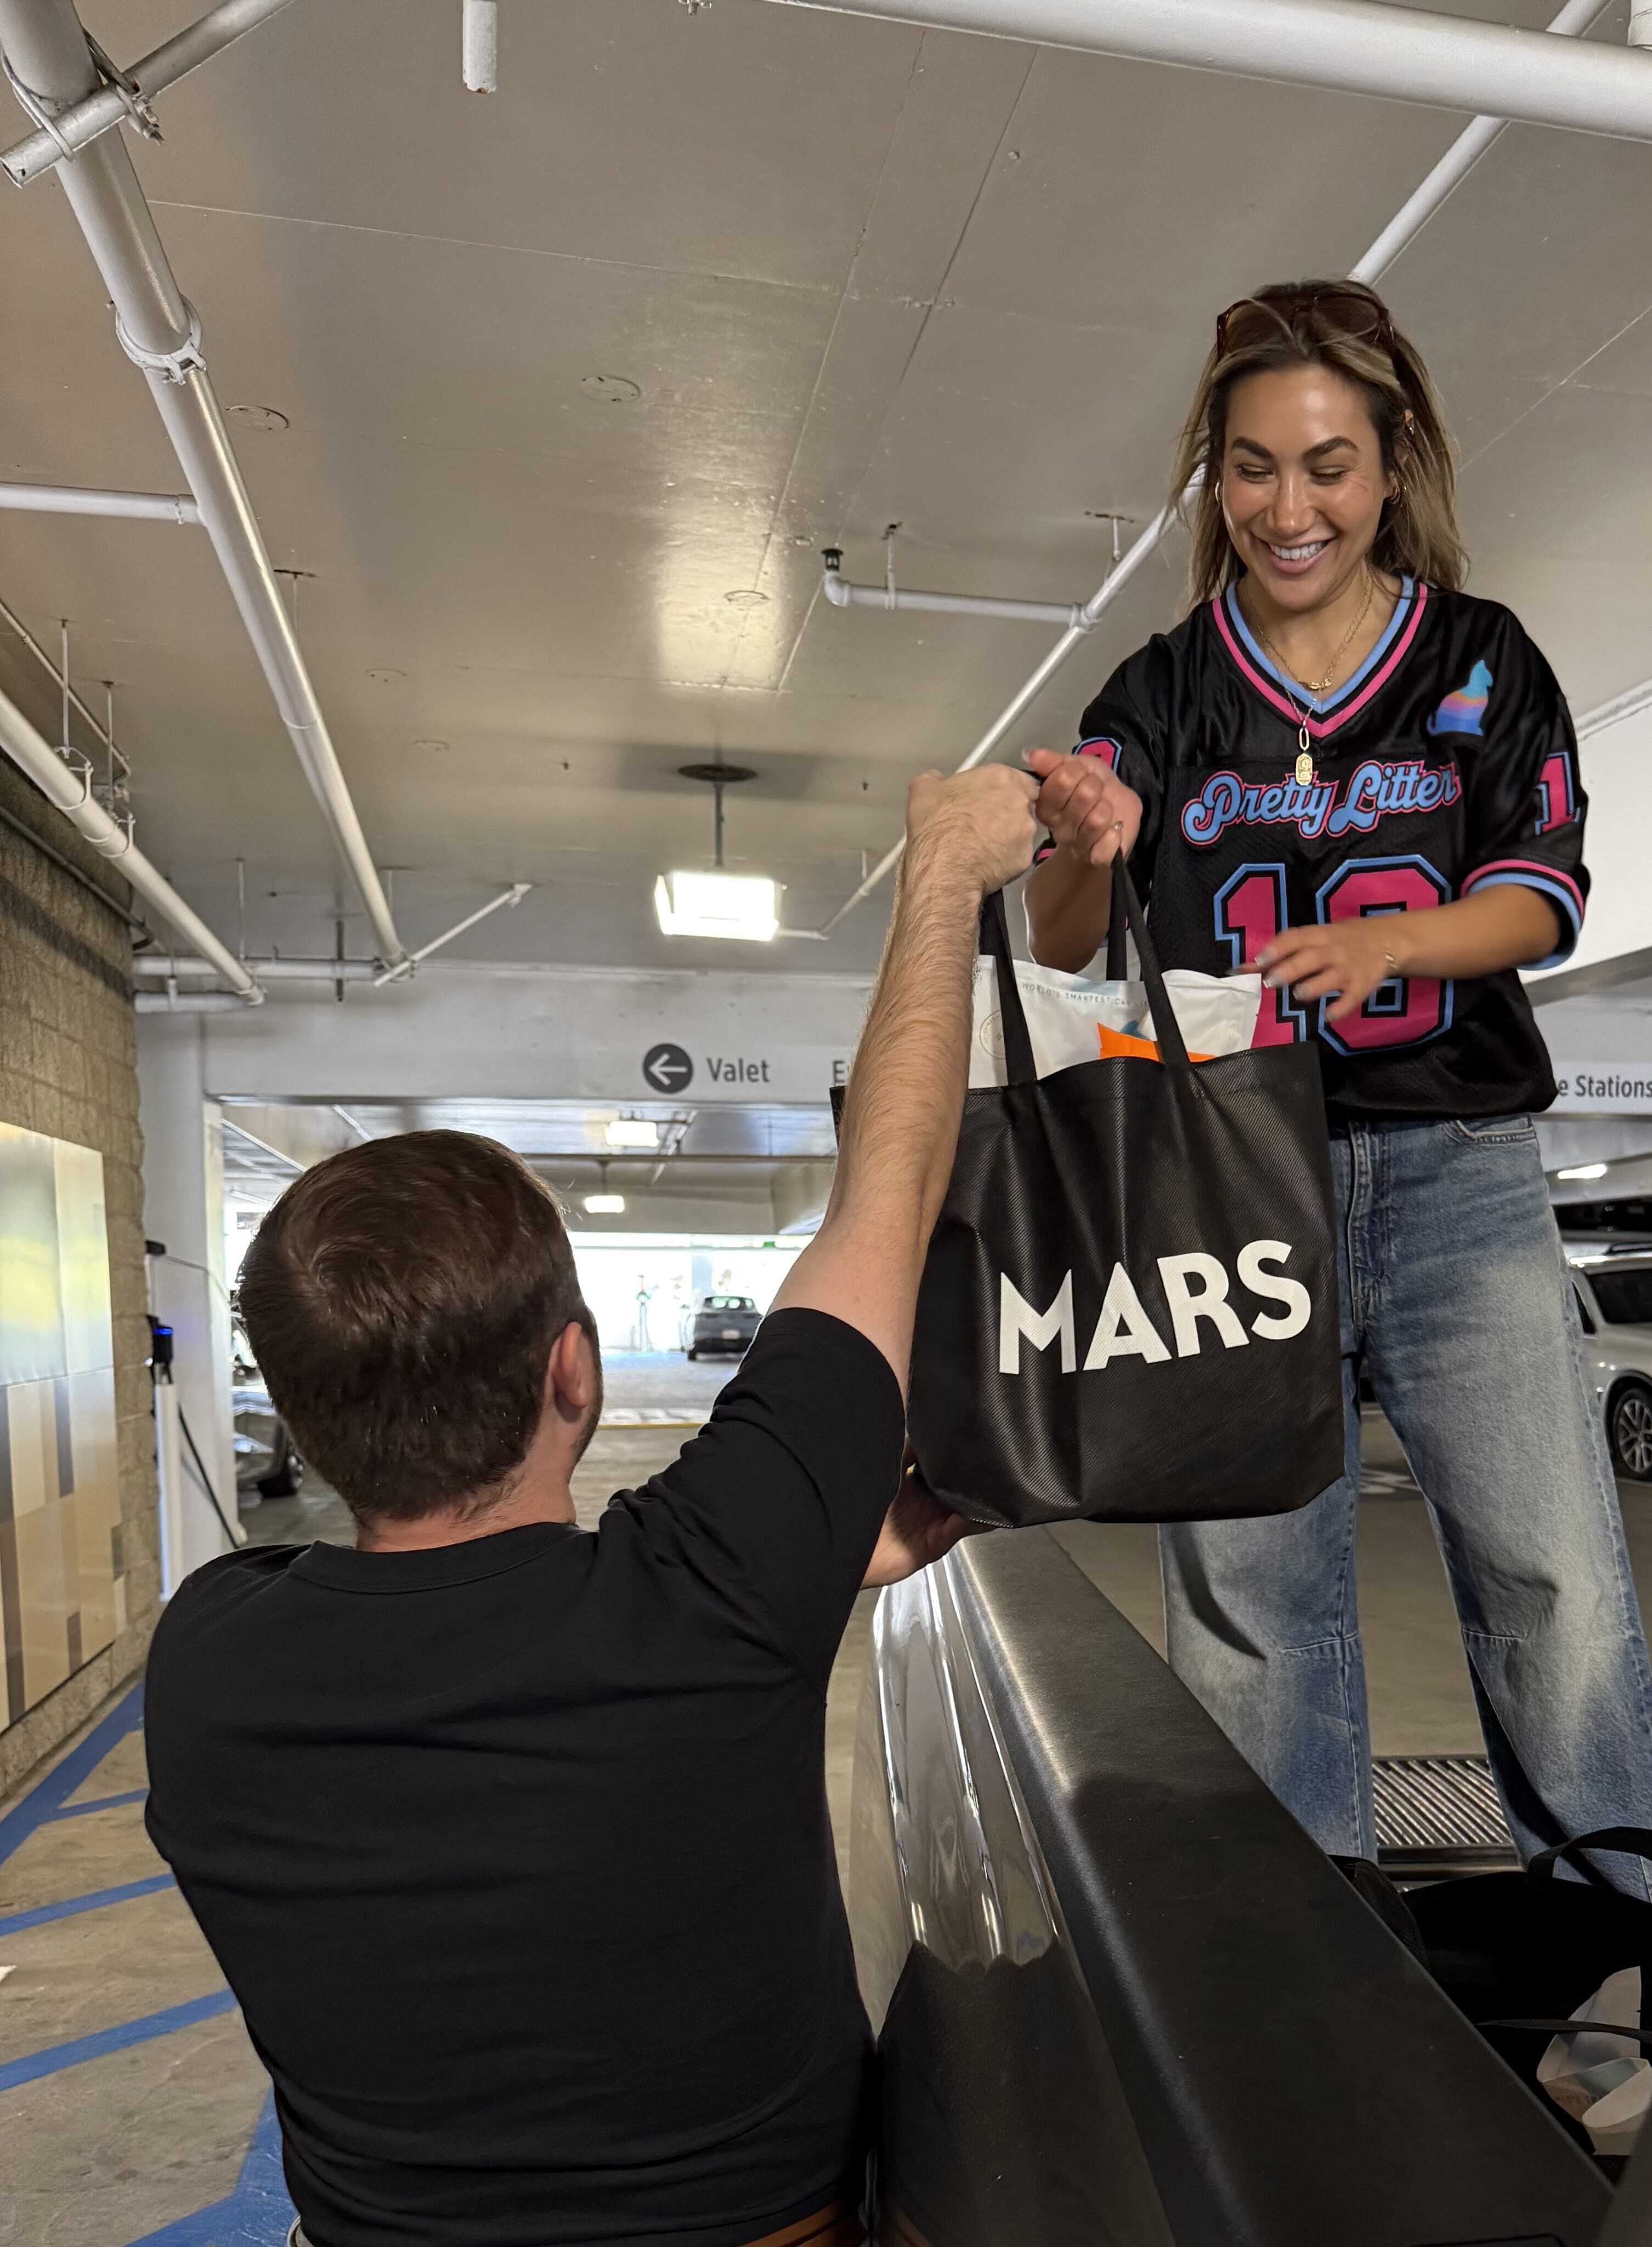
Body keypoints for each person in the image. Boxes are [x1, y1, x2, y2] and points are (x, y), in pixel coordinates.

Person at [142, 759, 1038, 2247]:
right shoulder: (713, 1586)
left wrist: (809, 1564)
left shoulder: (208, 1661)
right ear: (575, 1373)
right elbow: (890, 1183)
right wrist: (943, 867)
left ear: (298, 1413)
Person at [1025, 278, 1652, 1889]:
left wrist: (1397, 948)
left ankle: (1604, 1961)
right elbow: (1073, 933)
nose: (1285, 506)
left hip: (1456, 1178)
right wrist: (1087, 844)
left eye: (1323, 465)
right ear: (1210, 476)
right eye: (1249, 466)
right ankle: (1290, 1988)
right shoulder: (1159, 689)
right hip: (1230, 1188)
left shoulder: (1477, 658)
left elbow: (1544, 895)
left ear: (1390, 467)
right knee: (1250, 1603)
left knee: (1556, 1581)